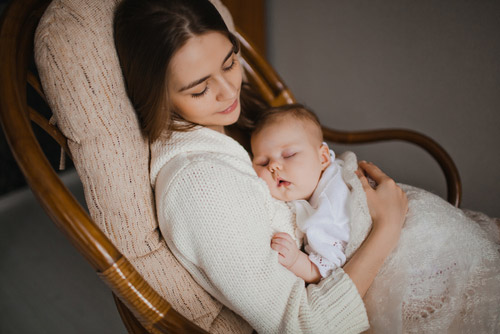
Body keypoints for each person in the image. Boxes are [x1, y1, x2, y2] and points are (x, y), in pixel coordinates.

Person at [113, 0, 498, 332]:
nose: (230, 92)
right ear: (157, 93)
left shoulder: (225, 126)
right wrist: (387, 226)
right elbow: (305, 326)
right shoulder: (200, 186)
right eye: (199, 88)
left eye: (230, 63)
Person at [251, 104, 500, 332]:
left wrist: (297, 261)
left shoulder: (326, 206)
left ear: (323, 157)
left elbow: (327, 271)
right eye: (262, 162)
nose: (274, 166)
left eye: (289, 155)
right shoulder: (322, 183)